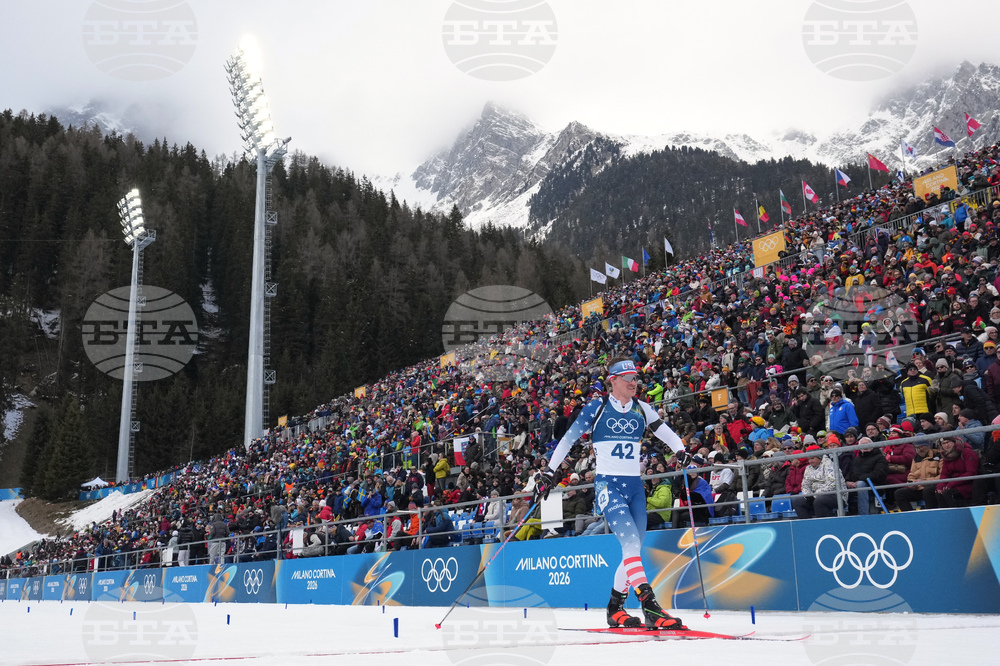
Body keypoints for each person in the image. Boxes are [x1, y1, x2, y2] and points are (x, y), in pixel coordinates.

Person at [538, 357, 689, 630]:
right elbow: (568, 439)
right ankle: (650, 606)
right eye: (628, 378)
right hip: (609, 486)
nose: (634, 382)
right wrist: (549, 471)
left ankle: (615, 608)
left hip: (635, 488)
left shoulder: (642, 409)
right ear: (614, 380)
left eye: (636, 378)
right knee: (630, 544)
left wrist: (681, 450)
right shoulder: (597, 408)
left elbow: (665, 431)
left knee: (632, 550)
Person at [792, 446, 839, 518]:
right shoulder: (808, 468)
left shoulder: (829, 465)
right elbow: (805, 484)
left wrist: (815, 495)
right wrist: (808, 496)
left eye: (812, 458)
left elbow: (832, 484)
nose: (810, 461)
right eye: (808, 459)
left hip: (835, 495)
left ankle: (823, 525)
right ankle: (807, 526)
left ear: (819, 457)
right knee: (797, 501)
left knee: (819, 501)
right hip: (815, 496)